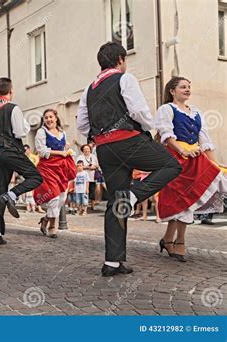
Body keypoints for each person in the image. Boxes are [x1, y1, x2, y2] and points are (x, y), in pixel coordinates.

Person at [76, 42, 182, 277]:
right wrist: (150, 129)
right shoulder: (125, 79)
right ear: (121, 60)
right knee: (171, 164)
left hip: (104, 149)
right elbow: (138, 111)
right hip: (128, 141)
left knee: (115, 201)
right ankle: (134, 195)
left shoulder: (88, 90)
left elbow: (82, 124)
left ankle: (112, 262)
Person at [155, 76, 227, 262]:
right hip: (175, 160)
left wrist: (216, 164)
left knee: (188, 198)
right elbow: (166, 135)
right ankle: (179, 242)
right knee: (181, 199)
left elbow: (205, 141)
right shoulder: (167, 109)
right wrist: (182, 151)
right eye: (182, 87)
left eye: (189, 87)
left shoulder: (196, 112)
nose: (187, 90)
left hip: (195, 159)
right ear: (172, 91)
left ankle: (168, 239)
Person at [0, 77, 43, 245]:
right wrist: (25, 125)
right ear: (11, 90)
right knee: (35, 177)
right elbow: (20, 132)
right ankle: (10, 195)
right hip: (10, 149)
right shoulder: (13, 108)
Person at [34, 109, 76, 238]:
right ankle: (52, 227)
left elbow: (64, 149)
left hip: (61, 168)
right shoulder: (41, 132)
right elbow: (41, 151)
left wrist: (67, 150)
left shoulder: (62, 132)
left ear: (56, 118)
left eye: (51, 117)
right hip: (47, 167)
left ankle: (46, 219)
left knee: (62, 197)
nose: (48, 120)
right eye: (46, 118)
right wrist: (60, 153)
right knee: (54, 197)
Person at [76, 144, 99, 210]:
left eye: (88, 149)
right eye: (85, 149)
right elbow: (77, 165)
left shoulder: (93, 156)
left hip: (92, 176)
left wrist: (93, 167)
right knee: (83, 191)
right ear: (82, 150)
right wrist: (86, 167)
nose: (86, 150)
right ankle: (82, 206)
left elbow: (97, 165)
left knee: (92, 191)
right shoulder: (80, 157)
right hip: (82, 177)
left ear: (90, 149)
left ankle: (92, 205)